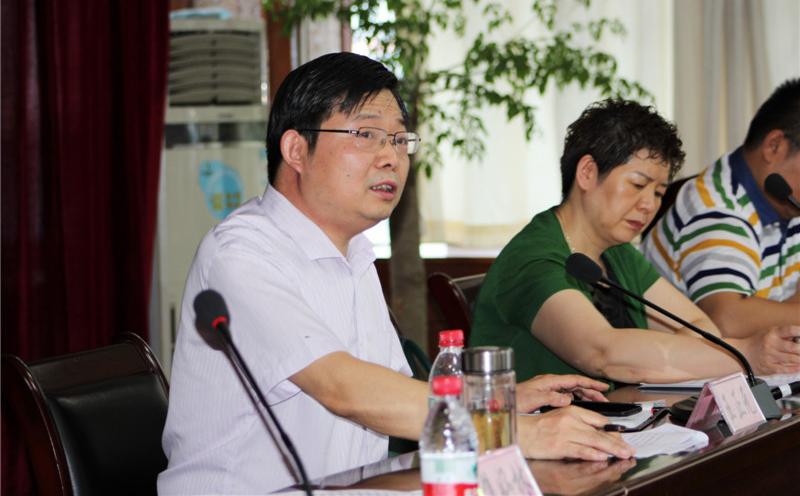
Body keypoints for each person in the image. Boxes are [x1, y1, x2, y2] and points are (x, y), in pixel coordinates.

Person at [158, 52, 634, 495]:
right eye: (366, 135)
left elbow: (388, 389)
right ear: (296, 150)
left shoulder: (353, 254)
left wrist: (500, 400)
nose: (392, 157)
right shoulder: (240, 254)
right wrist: (515, 431)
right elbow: (344, 388)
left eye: (400, 140)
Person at [469, 99, 800, 388]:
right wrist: (746, 354)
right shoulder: (533, 259)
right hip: (525, 434)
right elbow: (603, 352)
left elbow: (701, 326)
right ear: (587, 173)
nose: (649, 205)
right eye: (638, 185)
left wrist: (653, 359)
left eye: (658, 192)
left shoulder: (618, 253)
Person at [641, 79, 800, 337]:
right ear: (774, 146)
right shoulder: (716, 207)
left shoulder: (788, 203)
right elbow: (728, 321)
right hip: (673, 361)